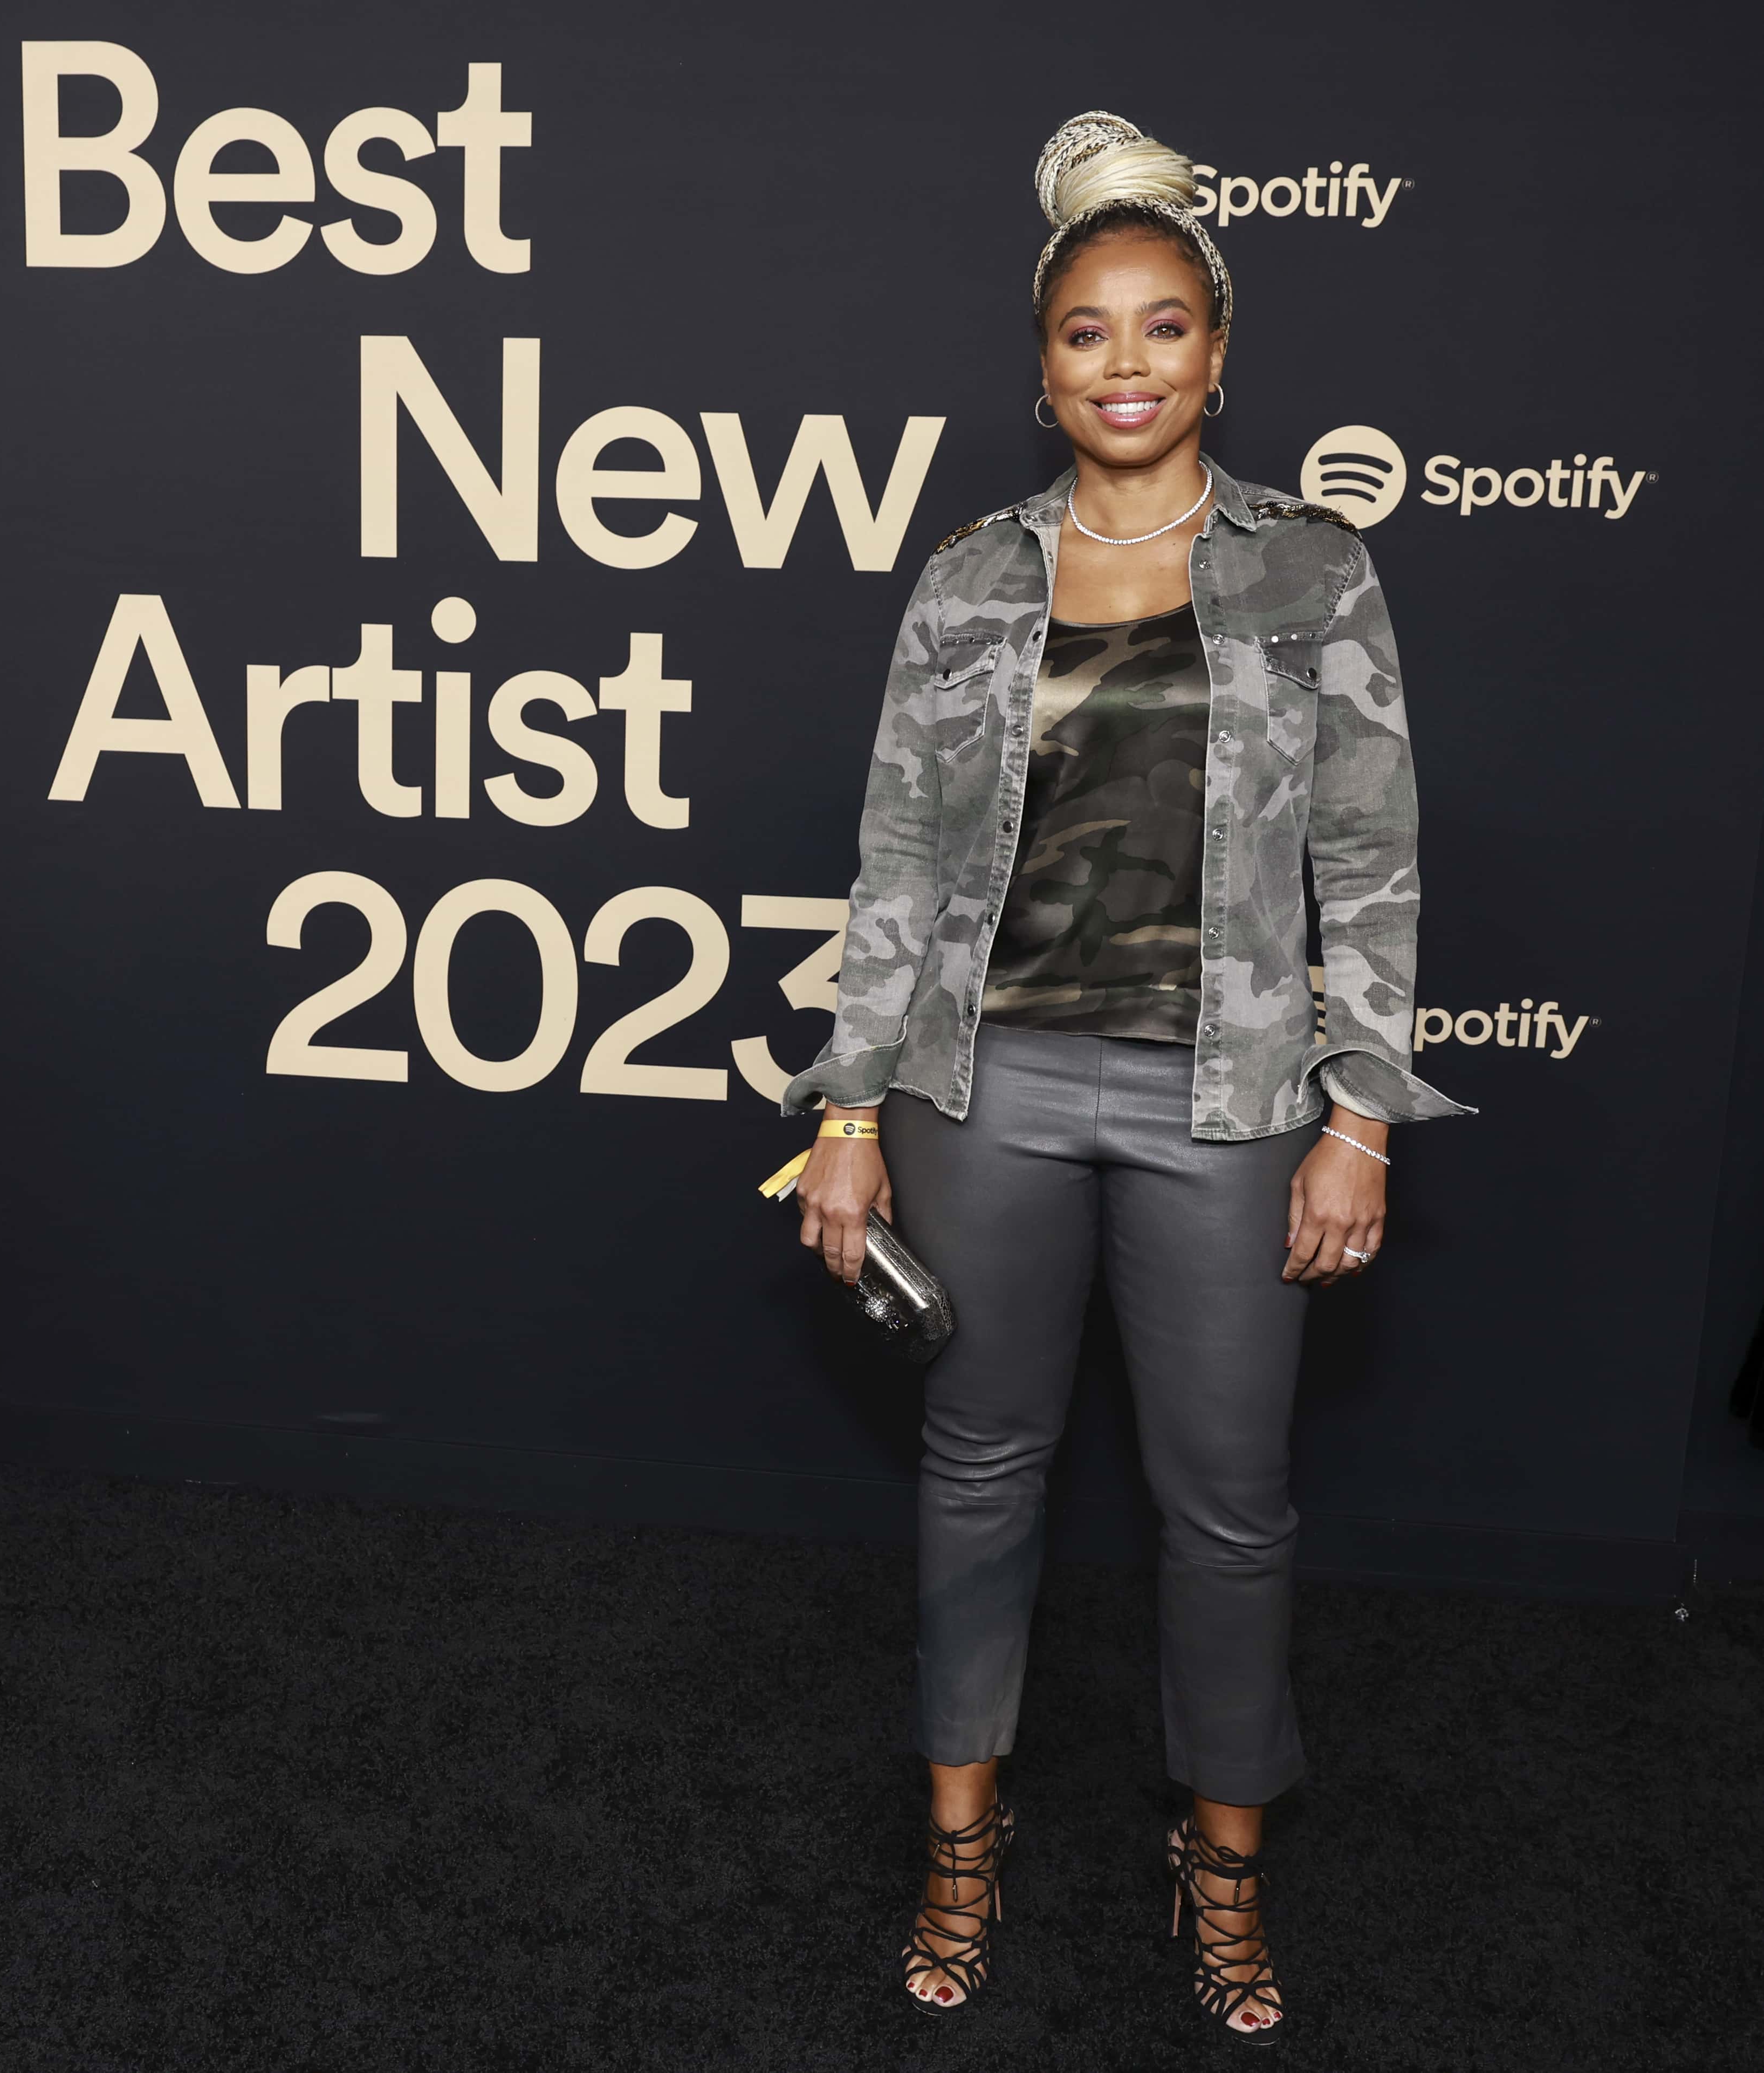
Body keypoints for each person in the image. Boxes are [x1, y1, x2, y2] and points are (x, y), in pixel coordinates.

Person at [784, 111, 1470, 2043]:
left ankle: (1225, 1869)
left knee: (1230, 1507)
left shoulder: (1311, 570)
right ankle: (957, 1844)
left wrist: (1358, 1113)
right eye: (1088, 333)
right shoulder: (968, 575)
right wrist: (847, 1112)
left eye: (1162, 328)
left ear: (1218, 355)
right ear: (1044, 364)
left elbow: (1373, 859)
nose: (1126, 363)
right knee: (979, 1472)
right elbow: (899, 865)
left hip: (1230, 1107)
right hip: (979, 1086)